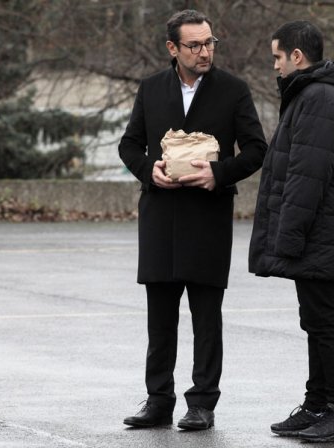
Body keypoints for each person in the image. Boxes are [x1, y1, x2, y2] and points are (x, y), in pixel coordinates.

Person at [118, 9, 267, 431]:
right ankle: (158, 400)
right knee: (160, 318)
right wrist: (149, 170)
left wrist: (218, 174)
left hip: (207, 217)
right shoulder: (151, 89)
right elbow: (129, 145)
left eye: (210, 43)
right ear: (173, 48)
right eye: (195, 45)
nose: (205, 52)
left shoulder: (233, 90)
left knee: (206, 317)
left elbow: (257, 149)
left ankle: (202, 403)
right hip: (160, 217)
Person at [248, 20, 334, 443]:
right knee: (315, 319)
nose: (275, 66)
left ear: (297, 56)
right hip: (321, 232)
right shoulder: (313, 94)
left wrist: (289, 236)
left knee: (324, 321)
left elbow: (308, 175)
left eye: (277, 57)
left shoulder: (320, 98)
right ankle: (318, 404)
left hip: (322, 233)